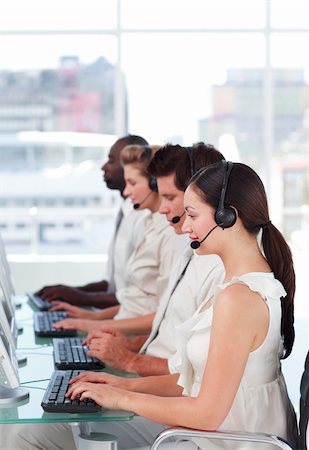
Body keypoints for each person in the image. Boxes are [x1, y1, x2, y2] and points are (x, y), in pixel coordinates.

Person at [9, 160, 298, 450]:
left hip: (220, 441)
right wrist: (121, 385)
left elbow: (208, 414)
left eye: (192, 215)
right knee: (44, 432)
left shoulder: (239, 298)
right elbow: (194, 383)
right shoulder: (237, 285)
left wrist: (122, 398)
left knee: (39, 435)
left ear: (227, 217)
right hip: (205, 436)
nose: (185, 226)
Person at [76, 143, 226, 376]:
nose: (163, 208)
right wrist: (128, 345)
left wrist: (128, 364)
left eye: (169, 197)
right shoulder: (190, 252)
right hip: (151, 368)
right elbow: (170, 332)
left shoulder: (220, 269)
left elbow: (197, 375)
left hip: (163, 383)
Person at [51, 144, 184, 333]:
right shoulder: (148, 224)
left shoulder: (172, 233)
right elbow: (136, 301)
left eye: (133, 183)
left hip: (136, 336)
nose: (126, 192)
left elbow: (164, 312)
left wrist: (92, 325)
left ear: (154, 183)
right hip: (122, 328)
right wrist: (91, 317)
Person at [35, 134, 149, 308]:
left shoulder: (143, 219)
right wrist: (69, 292)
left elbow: (137, 297)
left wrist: (79, 298)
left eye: (111, 160)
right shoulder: (125, 212)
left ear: (131, 166)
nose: (104, 167)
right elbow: (112, 285)